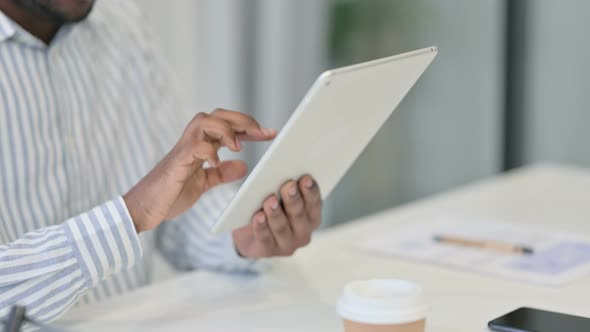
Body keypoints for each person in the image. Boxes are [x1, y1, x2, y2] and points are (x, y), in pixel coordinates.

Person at [0, 0, 322, 324]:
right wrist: (132, 213)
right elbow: (148, 205)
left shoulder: (123, 24)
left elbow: (174, 207)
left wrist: (244, 235)